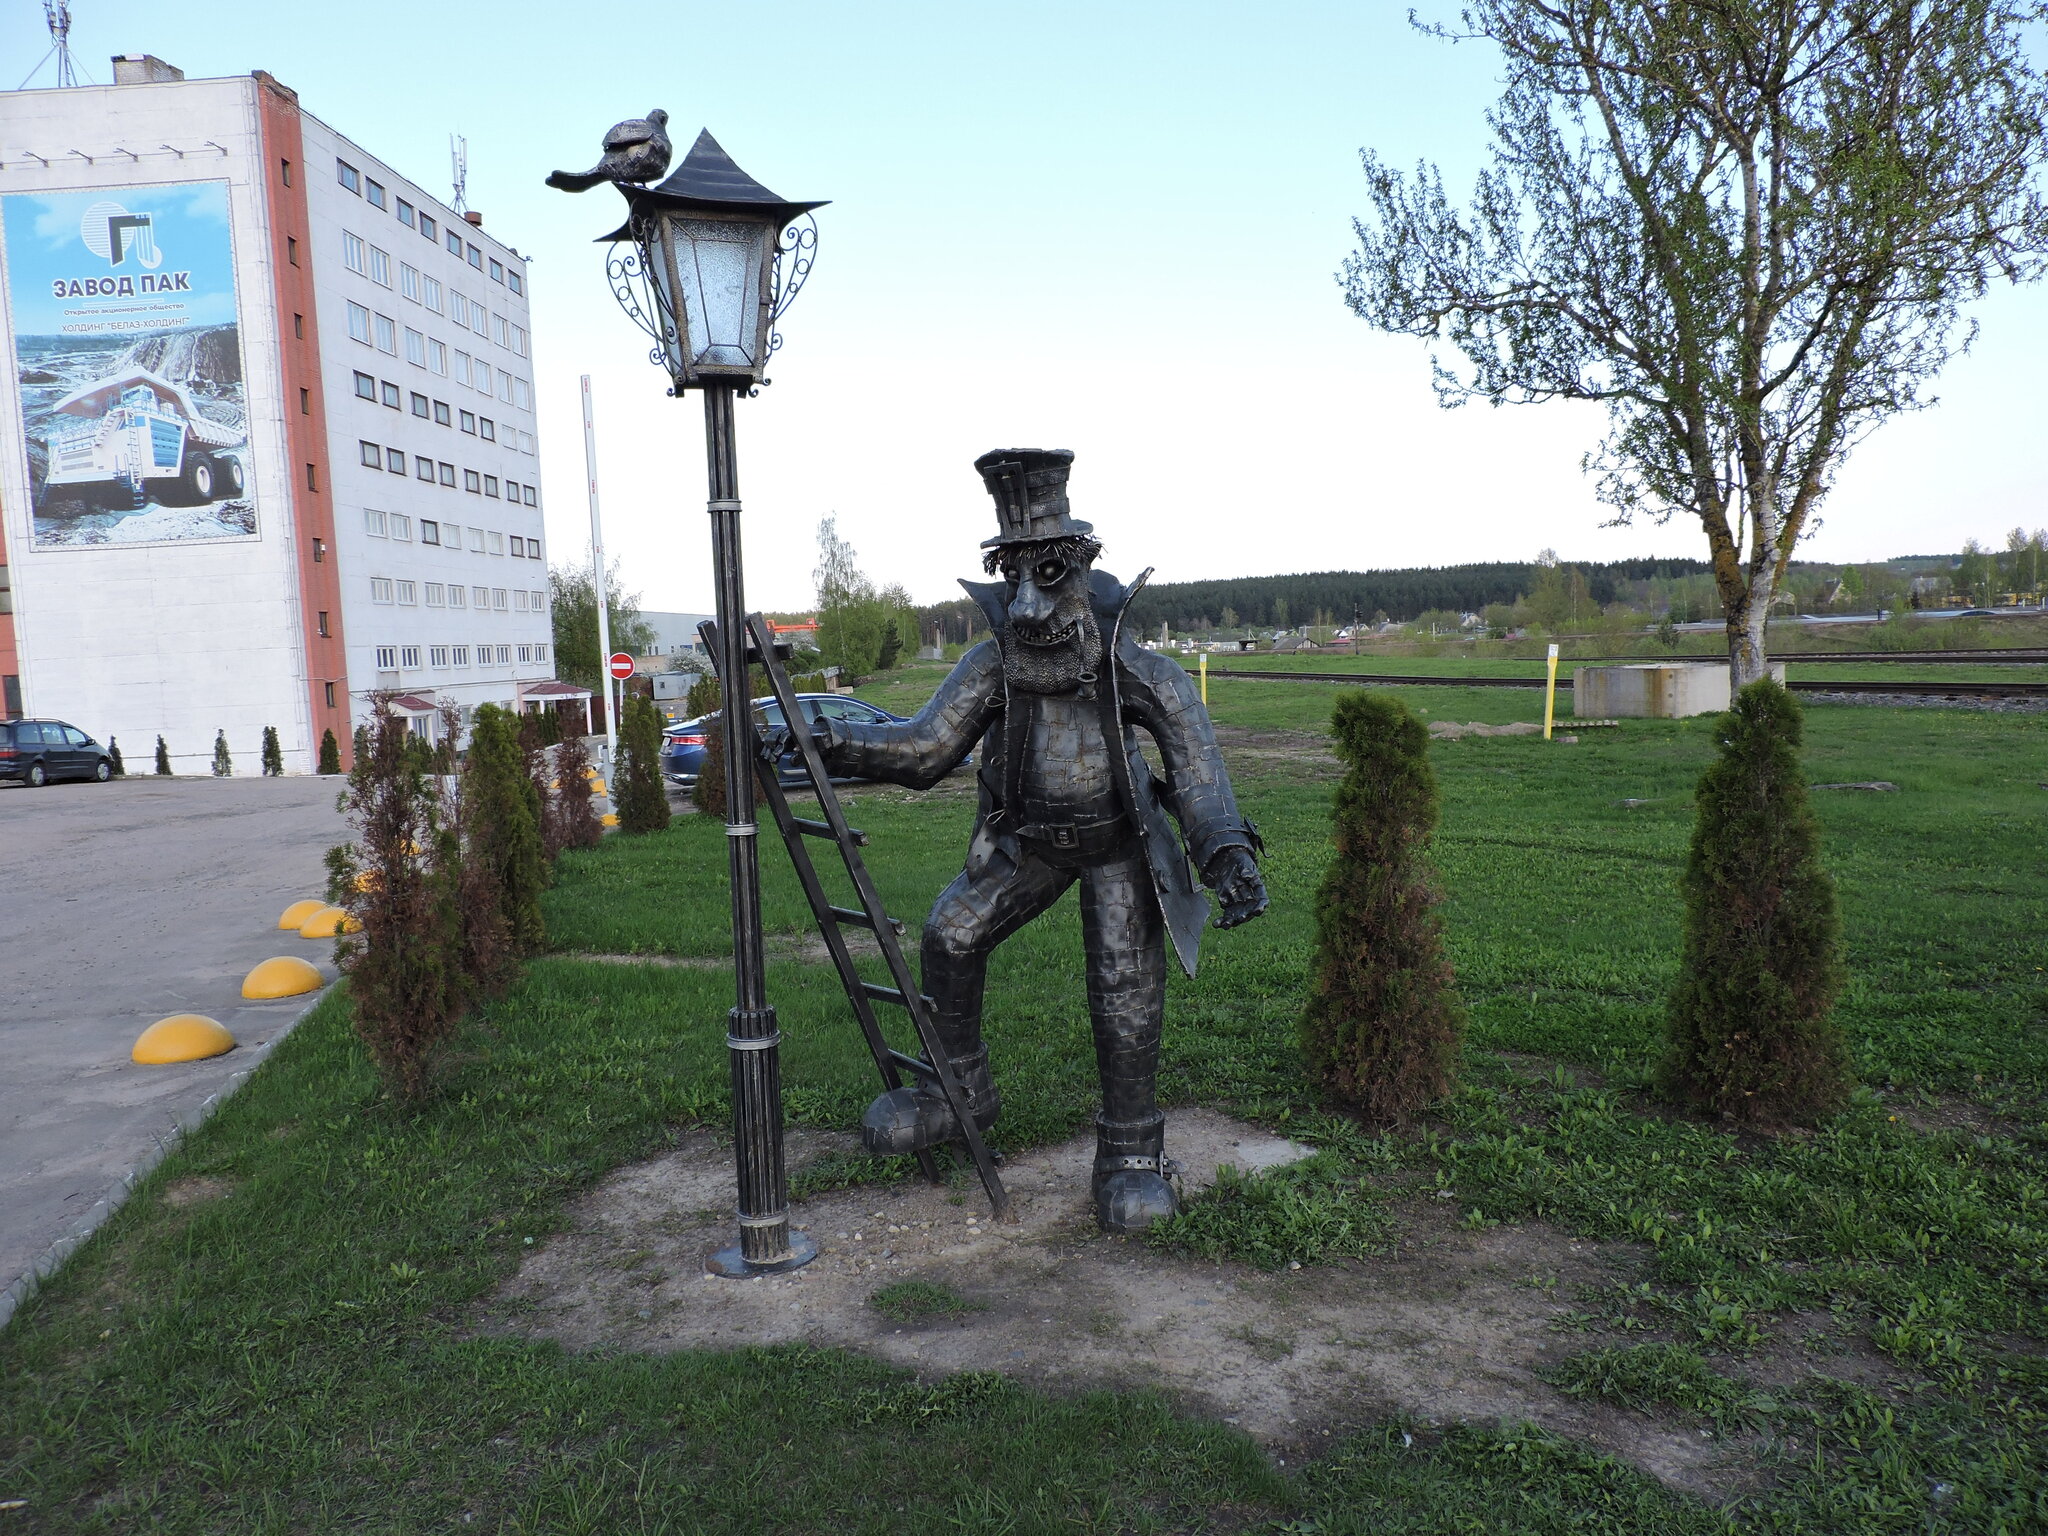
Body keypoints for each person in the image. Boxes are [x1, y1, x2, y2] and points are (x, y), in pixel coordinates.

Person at [810, 448, 1267, 1232]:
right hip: (1030, 844)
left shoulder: (1138, 669)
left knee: (1123, 994)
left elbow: (1196, 768)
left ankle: (1130, 1151)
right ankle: (954, 1093)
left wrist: (1226, 852)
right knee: (951, 935)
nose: (1027, 605)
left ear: (1083, 573)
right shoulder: (996, 664)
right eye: (1013, 576)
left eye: (1049, 575)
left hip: (1120, 845)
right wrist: (827, 735)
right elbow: (925, 748)